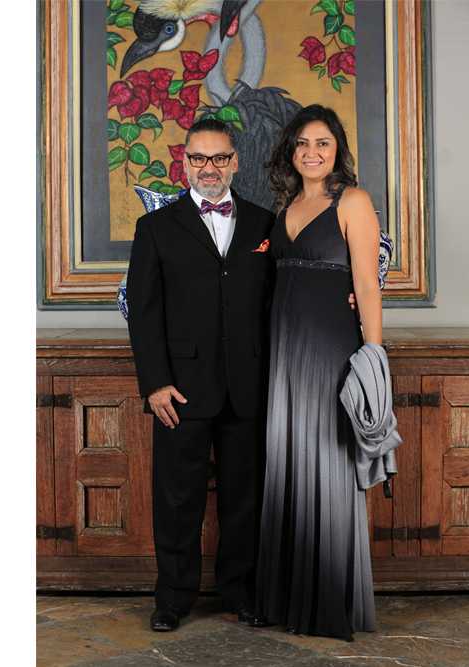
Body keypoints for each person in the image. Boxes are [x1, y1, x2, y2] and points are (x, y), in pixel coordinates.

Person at [126, 118, 275, 632]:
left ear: (235, 162)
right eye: (199, 158)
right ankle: (172, 598)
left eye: (219, 158)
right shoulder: (155, 228)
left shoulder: (264, 224)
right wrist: (155, 383)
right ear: (184, 162)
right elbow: (144, 312)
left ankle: (242, 594)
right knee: (177, 500)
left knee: (245, 500)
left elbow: (280, 300)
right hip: (180, 390)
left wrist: (346, 297)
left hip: (249, 387)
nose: (209, 167)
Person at [256, 105, 384, 642]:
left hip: (331, 349)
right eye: (303, 143)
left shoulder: (352, 201)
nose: (312, 152)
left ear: (337, 150)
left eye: (323, 143)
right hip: (284, 353)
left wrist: (373, 359)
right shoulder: (285, 204)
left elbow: (368, 285)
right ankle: (289, 600)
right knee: (288, 463)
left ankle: (327, 601)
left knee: (328, 464)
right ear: (292, 150)